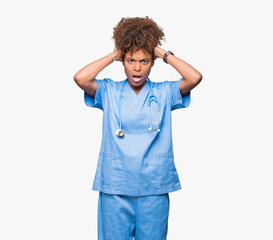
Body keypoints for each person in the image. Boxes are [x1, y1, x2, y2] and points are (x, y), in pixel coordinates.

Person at [74, 16, 202, 240]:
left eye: (144, 61)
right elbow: (80, 78)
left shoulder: (164, 92)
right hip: (116, 186)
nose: (137, 68)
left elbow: (194, 77)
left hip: (154, 188)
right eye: (130, 60)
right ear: (122, 61)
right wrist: (115, 53)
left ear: (152, 63)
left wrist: (163, 54)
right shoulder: (109, 91)